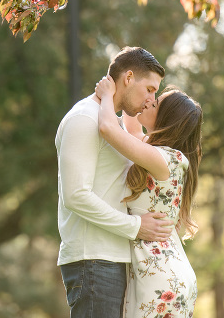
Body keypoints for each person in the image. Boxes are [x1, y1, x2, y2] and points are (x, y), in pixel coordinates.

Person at [57, 47, 175, 318]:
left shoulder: (113, 123)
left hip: (112, 259)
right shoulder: (84, 118)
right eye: (149, 89)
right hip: (93, 261)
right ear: (129, 77)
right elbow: (75, 195)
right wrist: (136, 227)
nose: (151, 99)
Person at [95, 76, 203, 318]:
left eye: (156, 103)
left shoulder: (164, 159)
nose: (149, 101)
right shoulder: (161, 155)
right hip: (167, 274)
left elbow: (107, 128)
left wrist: (106, 95)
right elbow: (132, 127)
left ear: (165, 119)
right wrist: (127, 82)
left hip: (158, 279)